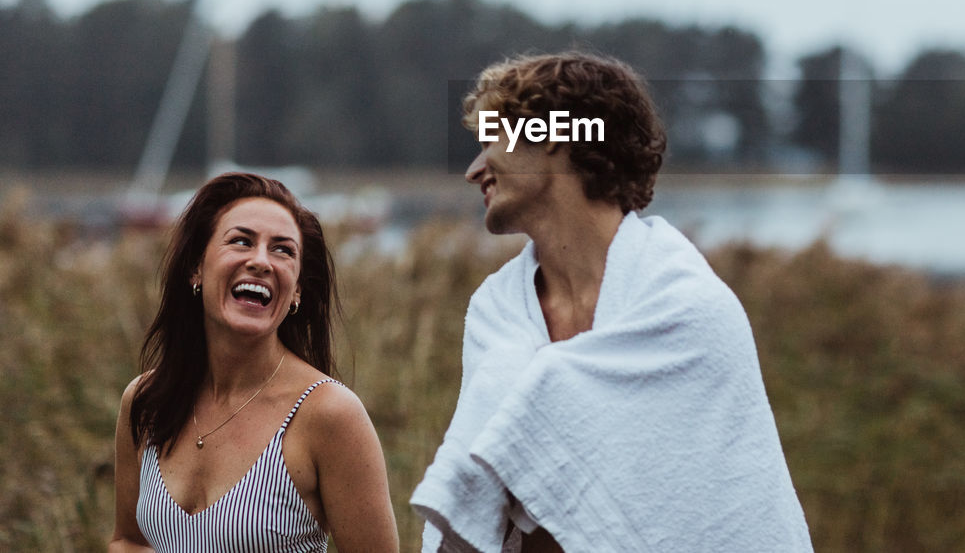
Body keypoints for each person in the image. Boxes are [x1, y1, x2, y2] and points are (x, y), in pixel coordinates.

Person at [411, 53, 812, 552]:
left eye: (494, 137)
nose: (474, 170)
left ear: (552, 132)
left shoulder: (690, 311)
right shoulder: (497, 313)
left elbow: (724, 514)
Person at [110, 172, 399, 552]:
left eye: (282, 250)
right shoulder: (146, 401)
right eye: (241, 241)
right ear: (197, 268)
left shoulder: (330, 414)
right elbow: (129, 540)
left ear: (296, 290)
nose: (261, 261)